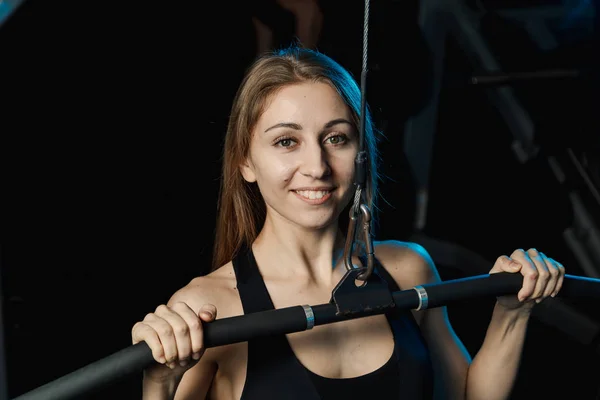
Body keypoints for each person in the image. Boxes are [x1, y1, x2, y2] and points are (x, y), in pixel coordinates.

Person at [131, 46, 566, 400]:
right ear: (245, 161)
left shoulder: (407, 269)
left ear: (360, 153)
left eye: (336, 138)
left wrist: (512, 312)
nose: (317, 165)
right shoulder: (209, 306)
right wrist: (160, 382)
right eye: (287, 141)